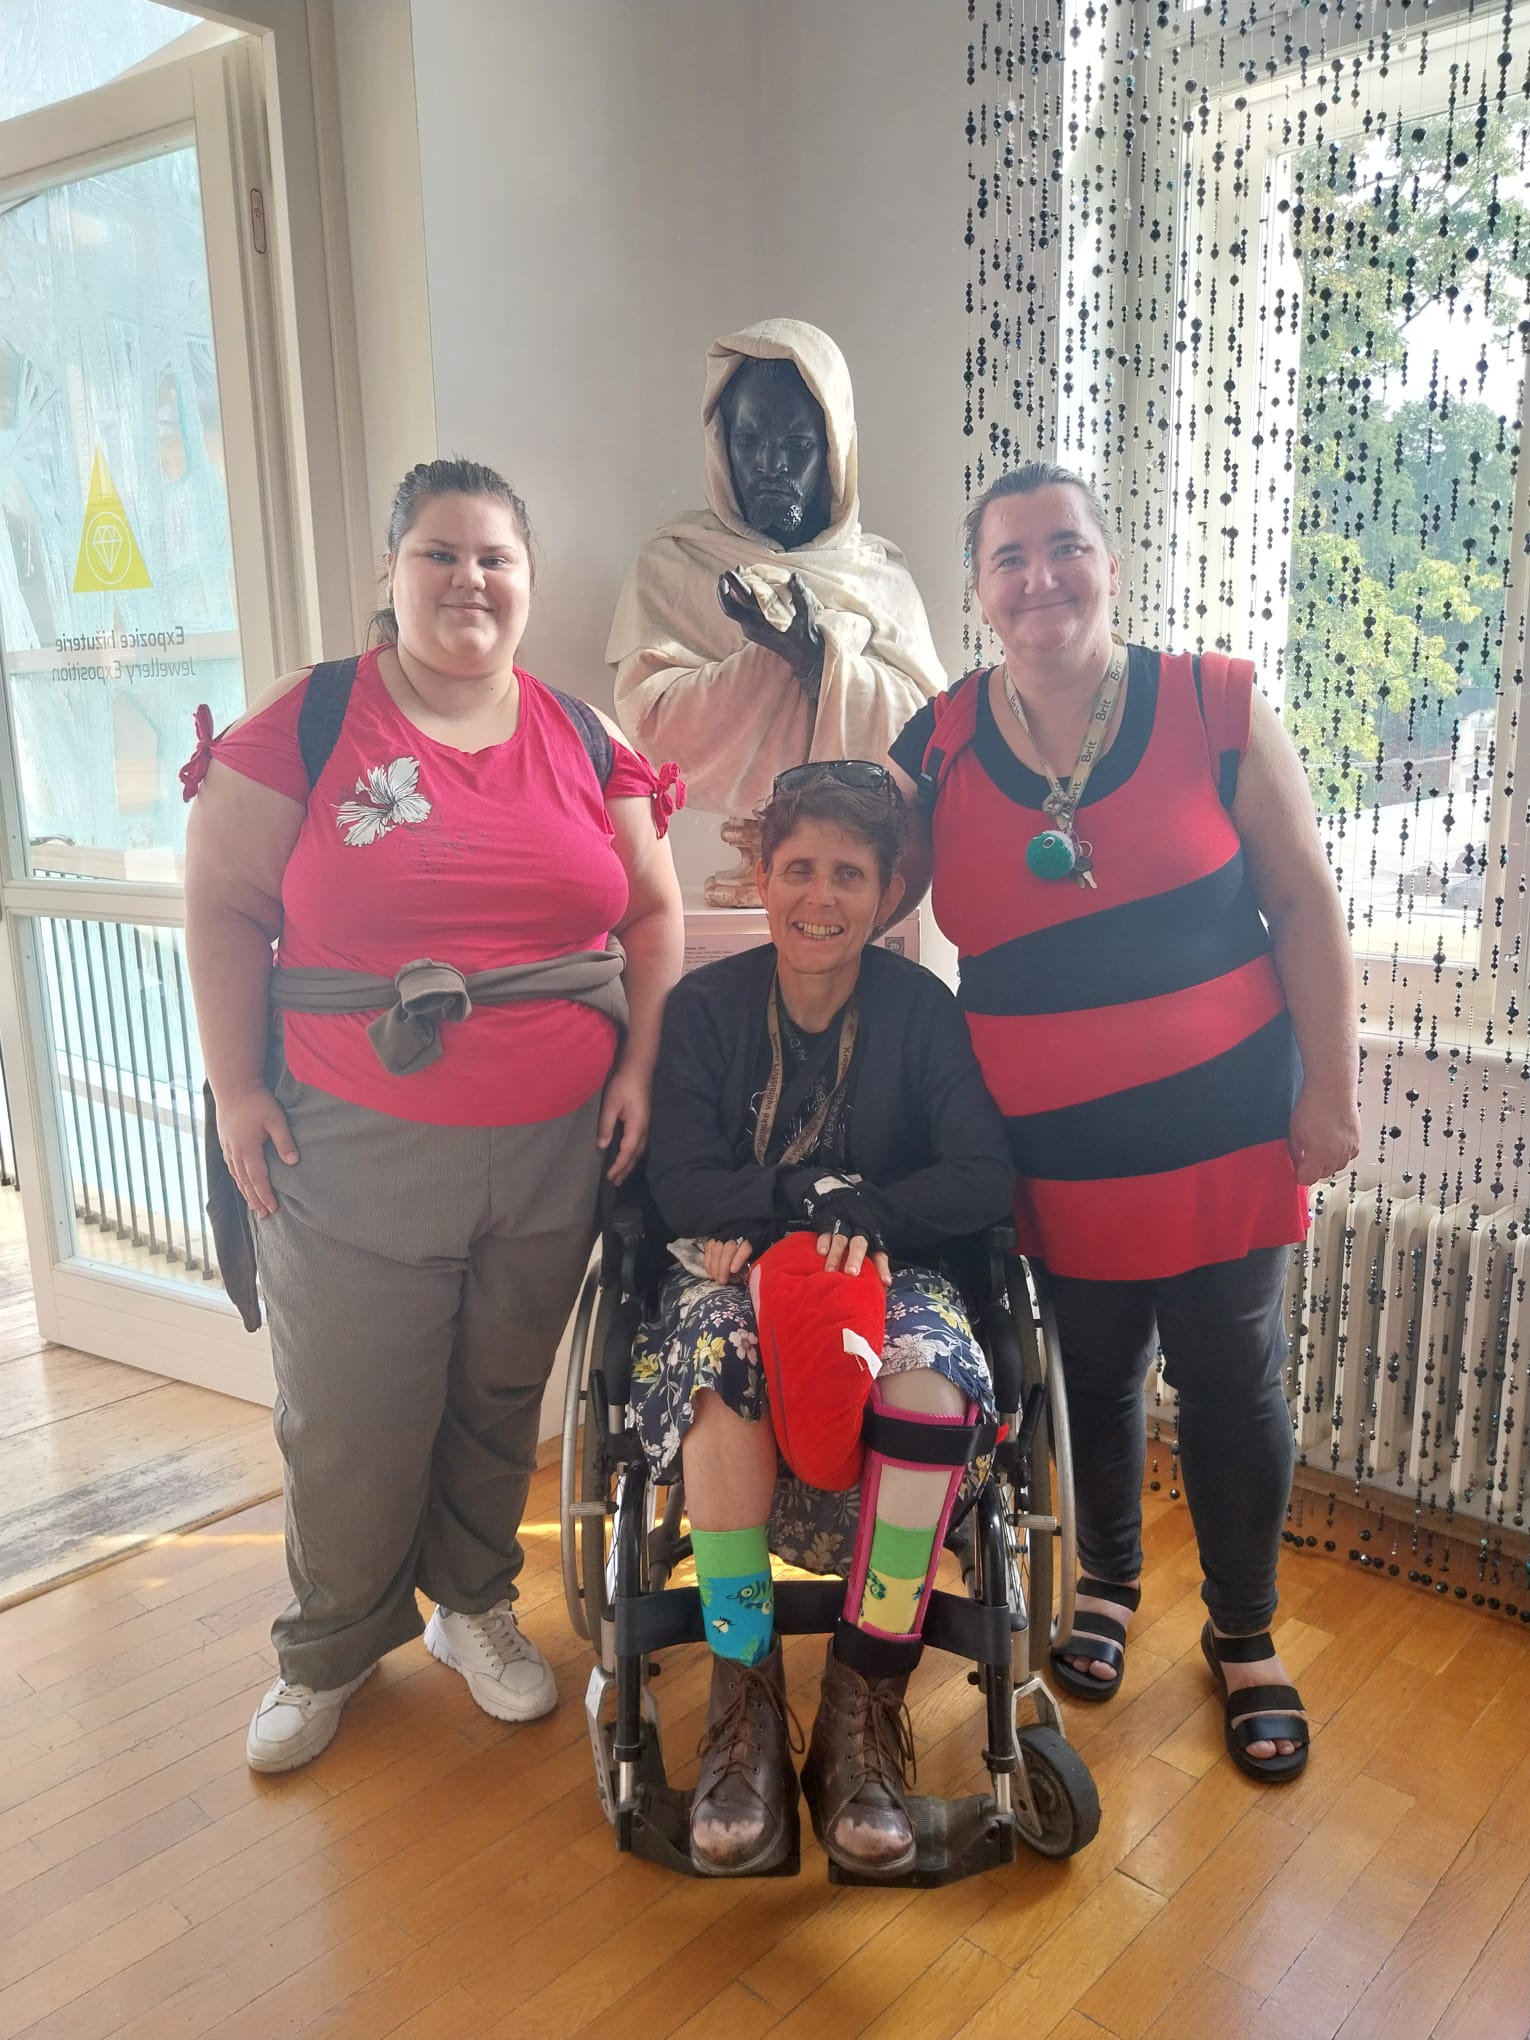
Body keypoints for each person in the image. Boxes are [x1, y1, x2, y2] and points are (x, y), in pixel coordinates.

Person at [182, 457, 685, 1774]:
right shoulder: (312, 720)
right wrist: (237, 1086)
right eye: (441, 554)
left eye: (494, 557)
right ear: (393, 572)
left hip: (556, 1140)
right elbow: (223, 905)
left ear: (528, 581)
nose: (470, 579)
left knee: (497, 1391)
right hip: (348, 1137)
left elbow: (650, 911)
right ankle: (329, 1647)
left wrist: (640, 1066)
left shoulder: (584, 737)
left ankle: (472, 1604)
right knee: (349, 1410)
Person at [888, 461, 1362, 1784]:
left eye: (1065, 547)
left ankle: (1244, 1633)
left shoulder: (1214, 702)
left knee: (1229, 1375)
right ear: (976, 588)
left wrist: (1329, 1086)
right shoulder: (935, 744)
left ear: (1109, 561)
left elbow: (1304, 902)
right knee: (1086, 1377)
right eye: (1008, 557)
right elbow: (866, 887)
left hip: (1226, 1128)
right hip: (1049, 1150)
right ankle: (1104, 1584)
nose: (1040, 577)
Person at [632, 764, 1013, 1875]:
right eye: (798, 867)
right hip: (732, 1267)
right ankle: (744, 1697)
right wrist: (806, 1202)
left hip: (893, 1267)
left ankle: (863, 1701)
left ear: (888, 893)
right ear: (762, 876)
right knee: (719, 1367)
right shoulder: (704, 1009)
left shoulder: (923, 1012)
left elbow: (981, 1174)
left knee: (929, 1386)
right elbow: (678, 1180)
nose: (820, 895)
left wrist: (869, 1216)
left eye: (849, 873)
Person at [607, 318, 943, 898]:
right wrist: (766, 657)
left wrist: (814, 657)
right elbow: (650, 721)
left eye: (796, 445)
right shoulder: (672, 563)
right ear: (722, 443)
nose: (770, 465)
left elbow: (922, 731)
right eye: (749, 441)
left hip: (848, 881)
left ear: (834, 448)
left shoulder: (879, 575)